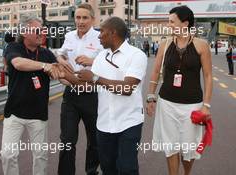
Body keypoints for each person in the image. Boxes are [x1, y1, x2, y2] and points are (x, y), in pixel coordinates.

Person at [76, 17, 147, 175]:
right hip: (104, 123)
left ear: (113, 33)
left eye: (101, 31)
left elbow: (127, 88)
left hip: (129, 122)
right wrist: (65, 75)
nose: (99, 36)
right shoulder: (101, 56)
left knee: (127, 168)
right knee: (108, 169)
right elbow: (88, 85)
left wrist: (95, 78)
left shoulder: (137, 55)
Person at [146, 6, 212, 175]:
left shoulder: (201, 45)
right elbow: (155, 71)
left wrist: (206, 105)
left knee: (188, 148)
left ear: (185, 23)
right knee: (171, 146)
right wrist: (151, 96)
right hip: (167, 103)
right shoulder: (165, 44)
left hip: (192, 105)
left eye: (172, 22)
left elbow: (208, 76)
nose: (169, 25)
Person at [0, 15, 63, 175]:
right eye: (37, 30)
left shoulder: (47, 53)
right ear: (25, 32)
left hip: (38, 115)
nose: (42, 33)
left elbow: (61, 75)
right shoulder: (14, 48)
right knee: (8, 155)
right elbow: (18, 63)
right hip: (14, 113)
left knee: (40, 156)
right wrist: (45, 66)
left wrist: (78, 80)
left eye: (43, 30)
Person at [56, 3, 103, 175]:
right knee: (67, 140)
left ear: (92, 19)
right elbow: (60, 53)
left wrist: (92, 62)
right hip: (71, 95)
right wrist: (61, 60)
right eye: (77, 17)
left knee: (94, 140)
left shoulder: (100, 37)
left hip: (92, 94)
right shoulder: (69, 36)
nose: (80, 21)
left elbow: (109, 62)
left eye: (85, 18)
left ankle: (92, 172)